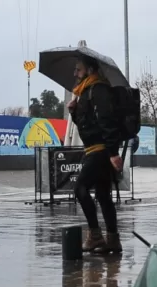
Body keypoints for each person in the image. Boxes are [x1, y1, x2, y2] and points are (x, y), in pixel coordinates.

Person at [68, 55, 123, 254]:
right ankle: (113, 239)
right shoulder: (86, 92)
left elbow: (107, 121)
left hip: (100, 150)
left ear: (90, 70)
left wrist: (113, 153)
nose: (75, 74)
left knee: (80, 188)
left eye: (79, 70)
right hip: (94, 149)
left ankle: (95, 235)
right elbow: (87, 124)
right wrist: (74, 112)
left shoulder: (98, 89)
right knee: (102, 194)